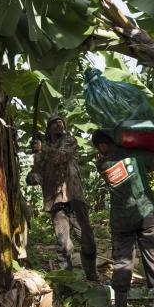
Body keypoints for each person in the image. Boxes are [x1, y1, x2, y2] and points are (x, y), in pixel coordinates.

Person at [91, 129, 154, 307]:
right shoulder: (136, 154)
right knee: (153, 257)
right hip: (146, 214)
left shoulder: (102, 163)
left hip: (122, 221)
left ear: (102, 146)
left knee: (123, 263)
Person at [26, 116, 98, 281]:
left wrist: (41, 147)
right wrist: (33, 177)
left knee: (86, 239)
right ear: (49, 129)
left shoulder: (69, 141)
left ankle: (92, 277)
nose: (59, 125)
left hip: (74, 196)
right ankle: (67, 282)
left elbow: (61, 156)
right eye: (54, 123)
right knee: (63, 244)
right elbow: (35, 172)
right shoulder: (40, 154)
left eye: (61, 123)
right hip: (55, 200)